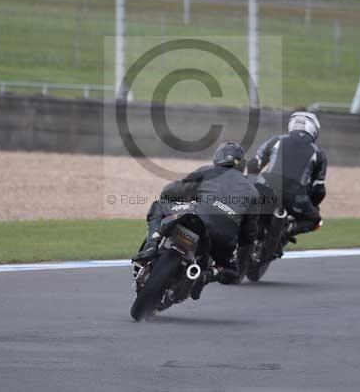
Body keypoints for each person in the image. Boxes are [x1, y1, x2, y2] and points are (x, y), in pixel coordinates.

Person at [132, 141, 259, 289]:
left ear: (218, 158)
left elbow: (169, 191)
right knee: (232, 270)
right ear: (242, 164)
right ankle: (208, 275)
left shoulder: (208, 171)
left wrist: (186, 199)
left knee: (159, 205)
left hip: (198, 219)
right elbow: (249, 234)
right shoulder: (252, 190)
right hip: (224, 238)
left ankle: (151, 246)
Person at [247, 111, 327, 242]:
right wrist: (313, 204)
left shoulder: (276, 140)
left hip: (266, 188)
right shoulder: (318, 153)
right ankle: (284, 233)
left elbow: (254, 164)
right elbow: (319, 189)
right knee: (316, 220)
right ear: (313, 129)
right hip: (295, 197)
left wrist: (252, 181)